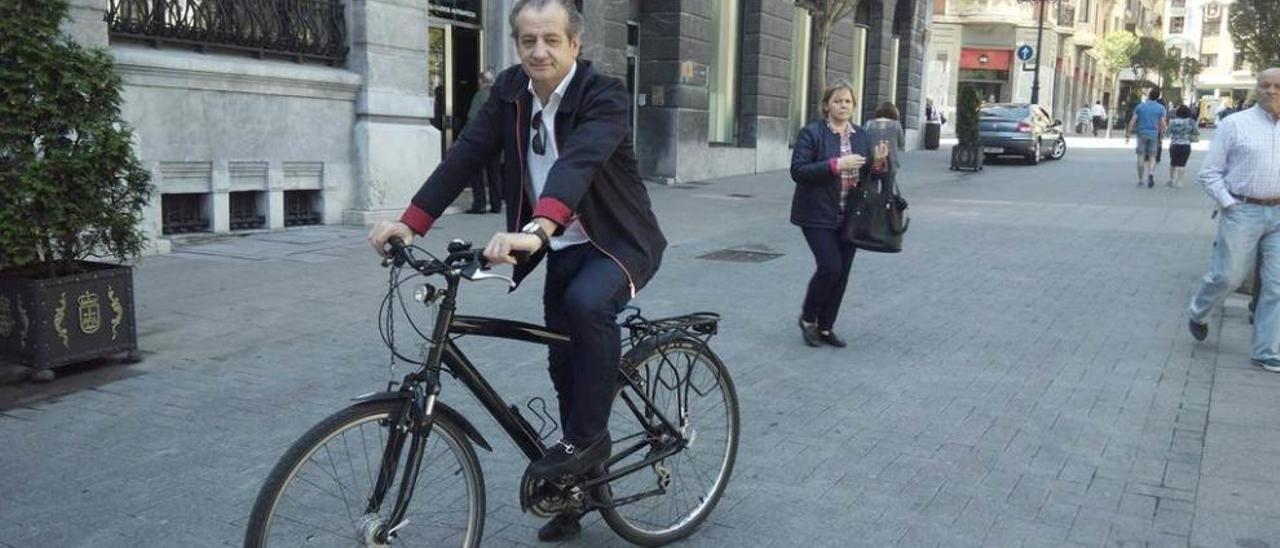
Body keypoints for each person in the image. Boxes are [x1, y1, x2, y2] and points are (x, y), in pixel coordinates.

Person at [367, 0, 667, 540]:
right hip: (560, 248)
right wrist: (412, 223)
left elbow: (578, 163)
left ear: (575, 44)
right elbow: (464, 156)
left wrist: (537, 229)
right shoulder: (508, 93)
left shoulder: (604, 95)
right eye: (528, 40)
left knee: (585, 308)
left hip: (618, 241)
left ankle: (590, 438)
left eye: (551, 39)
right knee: (561, 363)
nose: (539, 50)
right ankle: (576, 492)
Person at [1187, 67, 1280, 373]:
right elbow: (1209, 173)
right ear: (1256, 88)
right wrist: (1230, 204)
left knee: (1276, 286)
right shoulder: (1235, 124)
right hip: (1243, 210)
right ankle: (1200, 311)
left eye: (1277, 86)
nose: (1271, 91)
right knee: (1229, 276)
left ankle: (1266, 351)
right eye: (1265, 85)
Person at [790, 83, 871, 348]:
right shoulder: (811, 133)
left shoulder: (861, 135)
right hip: (816, 213)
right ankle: (808, 318)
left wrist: (878, 163)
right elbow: (799, 171)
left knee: (842, 273)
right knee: (830, 267)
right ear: (827, 105)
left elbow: (871, 174)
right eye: (838, 101)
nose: (843, 105)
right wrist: (836, 165)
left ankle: (826, 327)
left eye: (848, 101)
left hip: (851, 214)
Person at [464, 69, 503, 214]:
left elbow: (472, 119)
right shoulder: (500, 96)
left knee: (476, 173)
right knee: (494, 174)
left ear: (481, 81)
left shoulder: (479, 96)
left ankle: (479, 204)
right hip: (496, 142)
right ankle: (496, 205)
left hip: (480, 142)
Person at [1126, 88, 1168, 188]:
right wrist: (1161, 136)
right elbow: (1163, 124)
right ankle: (1151, 174)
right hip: (1154, 134)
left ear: (1149, 95)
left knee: (1140, 156)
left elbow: (1133, 121)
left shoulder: (1140, 106)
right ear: (1158, 97)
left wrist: (1128, 134)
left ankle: (1140, 179)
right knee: (1152, 157)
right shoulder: (1161, 108)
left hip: (1141, 133)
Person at [863, 101, 905, 175]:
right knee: (888, 186)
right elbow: (901, 143)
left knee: (871, 185)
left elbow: (863, 142)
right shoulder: (896, 125)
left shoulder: (868, 124)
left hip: (872, 161)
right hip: (890, 162)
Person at [1165, 104, 1200, 187]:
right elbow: (1196, 132)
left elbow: (1167, 134)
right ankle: (1180, 181)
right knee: (1182, 164)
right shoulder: (1191, 122)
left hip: (1174, 144)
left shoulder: (1172, 121)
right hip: (1186, 145)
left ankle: (1171, 179)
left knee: (1173, 162)